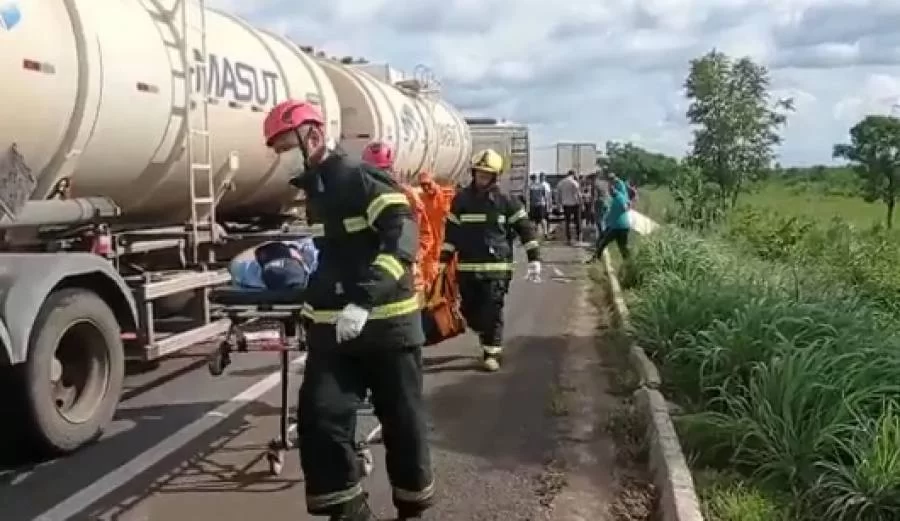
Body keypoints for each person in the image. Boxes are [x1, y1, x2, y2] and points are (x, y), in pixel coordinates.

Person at [263, 100, 434, 521]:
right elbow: (334, 257)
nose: (288, 154)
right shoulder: (317, 191)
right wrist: (311, 305)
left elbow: (402, 240)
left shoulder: (361, 181)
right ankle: (351, 513)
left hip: (388, 328)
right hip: (336, 333)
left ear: (314, 137)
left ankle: (411, 510)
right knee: (320, 419)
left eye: (290, 145)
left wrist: (364, 298)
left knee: (403, 425)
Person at [439, 148, 542, 372]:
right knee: (469, 311)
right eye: (479, 173)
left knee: (493, 311)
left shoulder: (507, 201)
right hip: (467, 268)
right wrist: (443, 258)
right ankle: (483, 332)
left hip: (496, 269)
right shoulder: (461, 200)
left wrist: (534, 259)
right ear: (473, 173)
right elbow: (452, 233)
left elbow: (525, 229)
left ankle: (491, 353)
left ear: (495, 177)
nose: (482, 178)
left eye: (487, 174)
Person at [590, 175, 631, 262]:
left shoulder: (618, 198)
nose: (608, 193)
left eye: (609, 191)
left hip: (617, 226)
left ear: (612, 191)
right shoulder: (619, 196)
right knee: (623, 247)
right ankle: (628, 262)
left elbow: (625, 207)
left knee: (603, 243)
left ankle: (595, 259)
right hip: (622, 226)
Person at [556, 170, 582, 244]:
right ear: (573, 174)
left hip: (566, 205)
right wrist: (581, 203)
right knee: (577, 221)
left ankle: (568, 238)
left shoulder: (560, 183)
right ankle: (579, 237)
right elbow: (578, 194)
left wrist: (558, 205)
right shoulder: (574, 182)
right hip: (575, 204)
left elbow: (558, 196)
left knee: (567, 222)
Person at [527, 172, 553, 237]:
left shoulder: (530, 186)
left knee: (534, 220)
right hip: (541, 204)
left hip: (533, 205)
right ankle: (545, 233)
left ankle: (534, 233)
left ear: (531, 179)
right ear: (537, 178)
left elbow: (528, 197)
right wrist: (548, 204)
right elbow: (545, 196)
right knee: (542, 219)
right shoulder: (541, 185)